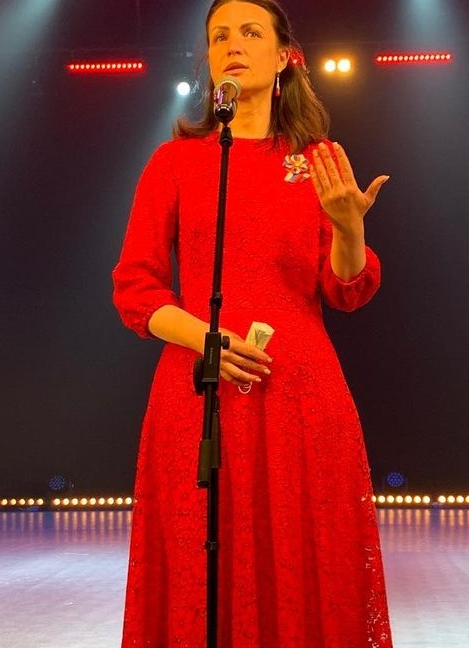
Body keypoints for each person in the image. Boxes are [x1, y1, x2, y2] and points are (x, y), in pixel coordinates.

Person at [112, 1, 392, 645]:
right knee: (201, 560)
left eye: (249, 32)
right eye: (219, 36)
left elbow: (344, 289)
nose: (232, 45)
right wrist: (205, 339)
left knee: (303, 562)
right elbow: (135, 288)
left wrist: (349, 229)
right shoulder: (175, 163)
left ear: (285, 56)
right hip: (199, 392)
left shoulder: (316, 161)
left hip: (299, 395)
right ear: (210, 61)